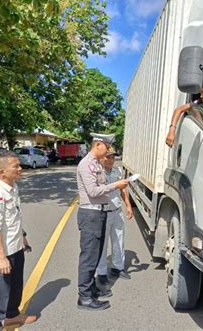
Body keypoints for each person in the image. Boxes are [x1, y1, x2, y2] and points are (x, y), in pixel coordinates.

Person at [76, 133, 129, 311]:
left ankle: (90, 289)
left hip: (99, 213)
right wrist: (116, 185)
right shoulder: (87, 164)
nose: (108, 151)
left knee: (95, 255)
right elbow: (92, 191)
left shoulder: (96, 163)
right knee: (88, 258)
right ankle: (84, 297)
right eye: (107, 147)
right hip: (91, 214)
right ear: (98, 145)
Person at [0, 150, 36, 330]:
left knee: (15, 287)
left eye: (19, 165)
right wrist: (1, 257)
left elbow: (14, 216)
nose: (20, 168)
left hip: (15, 247)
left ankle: (12, 316)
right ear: (2, 172)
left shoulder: (13, 187)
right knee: (0, 293)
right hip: (2, 252)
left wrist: (22, 237)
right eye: (16, 166)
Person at [96, 148, 134, 285]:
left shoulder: (117, 171)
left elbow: (122, 189)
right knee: (103, 243)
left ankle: (118, 268)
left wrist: (128, 205)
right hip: (104, 212)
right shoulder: (97, 172)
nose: (111, 160)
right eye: (108, 157)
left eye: (112, 157)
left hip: (117, 210)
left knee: (119, 240)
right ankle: (101, 273)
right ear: (102, 158)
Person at [165, 70, 203, 148]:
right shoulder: (200, 102)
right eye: (200, 93)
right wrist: (172, 130)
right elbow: (179, 110)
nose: (201, 96)